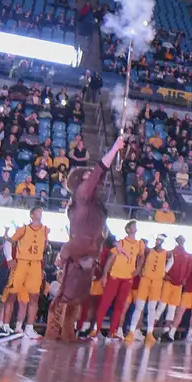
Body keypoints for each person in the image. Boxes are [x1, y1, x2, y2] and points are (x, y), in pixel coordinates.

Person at [47, 125, 129, 340]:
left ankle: (68, 334)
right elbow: (100, 169)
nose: (92, 177)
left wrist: (116, 245)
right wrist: (115, 148)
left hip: (91, 252)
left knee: (78, 297)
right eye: (88, 175)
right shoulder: (83, 194)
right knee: (66, 295)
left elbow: (105, 229)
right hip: (77, 250)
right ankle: (52, 333)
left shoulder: (95, 205)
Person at [0, 207, 49, 339]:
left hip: (36, 264)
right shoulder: (24, 229)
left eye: (41, 211)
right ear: (32, 215)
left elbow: (44, 248)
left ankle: (29, 327)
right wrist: (10, 259)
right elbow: (8, 242)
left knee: (34, 298)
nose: (41, 213)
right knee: (12, 295)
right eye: (38, 211)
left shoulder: (45, 230)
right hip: (21, 262)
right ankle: (5, 326)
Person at [94, 220, 145, 339]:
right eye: (132, 226)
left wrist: (138, 268)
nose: (134, 227)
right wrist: (105, 275)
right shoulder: (120, 242)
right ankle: (96, 330)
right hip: (115, 276)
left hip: (127, 278)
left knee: (120, 306)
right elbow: (110, 259)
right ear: (127, 229)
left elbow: (141, 257)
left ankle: (113, 332)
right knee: (105, 304)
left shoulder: (139, 244)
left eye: (135, 225)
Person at [131, 234, 170, 343]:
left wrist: (164, 272)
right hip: (146, 279)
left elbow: (172, 260)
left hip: (157, 282)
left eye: (160, 240)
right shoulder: (148, 251)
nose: (158, 241)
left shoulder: (166, 253)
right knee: (139, 307)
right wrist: (139, 270)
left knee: (152, 308)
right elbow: (141, 258)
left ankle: (149, 333)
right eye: (157, 239)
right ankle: (132, 332)